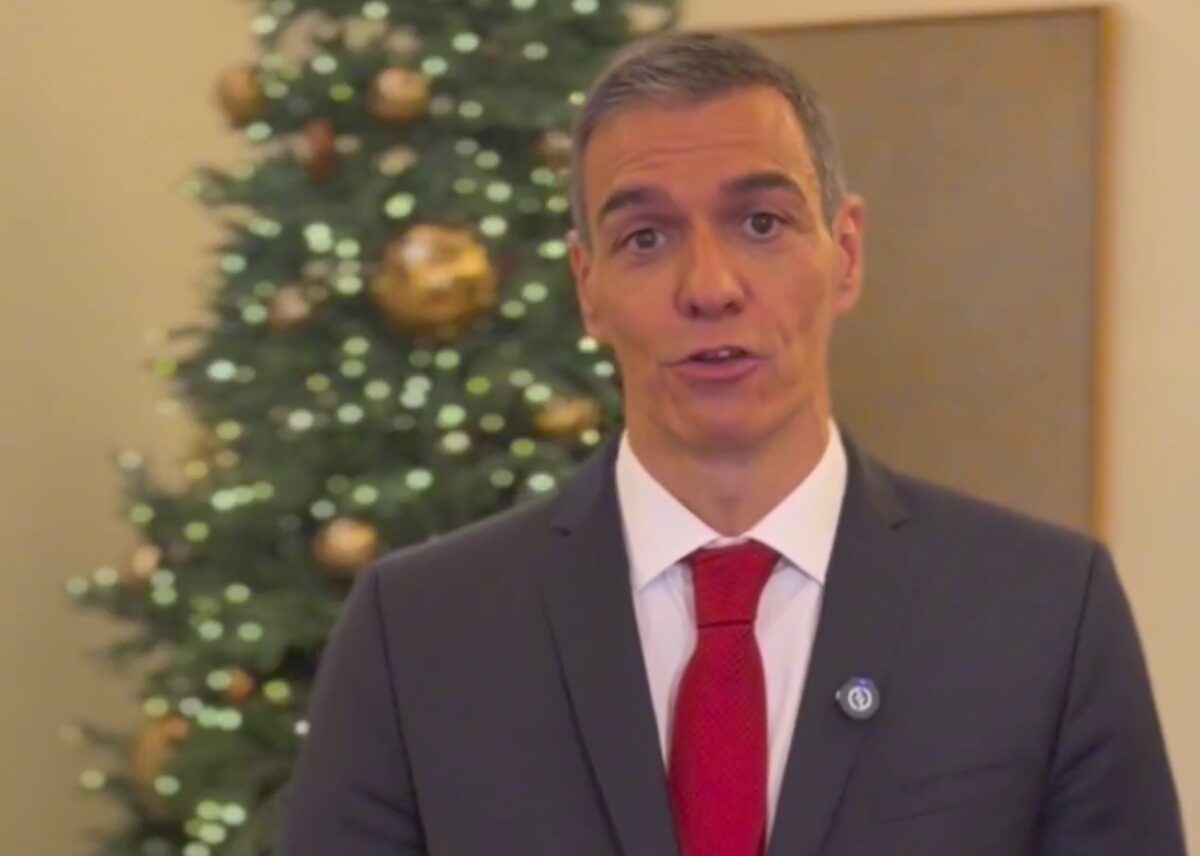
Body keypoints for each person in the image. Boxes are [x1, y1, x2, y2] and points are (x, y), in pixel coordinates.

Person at [279, 31, 1186, 856]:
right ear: (588, 288)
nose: (709, 287)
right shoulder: (419, 633)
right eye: (646, 237)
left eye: (761, 224)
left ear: (846, 253)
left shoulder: (1043, 613)